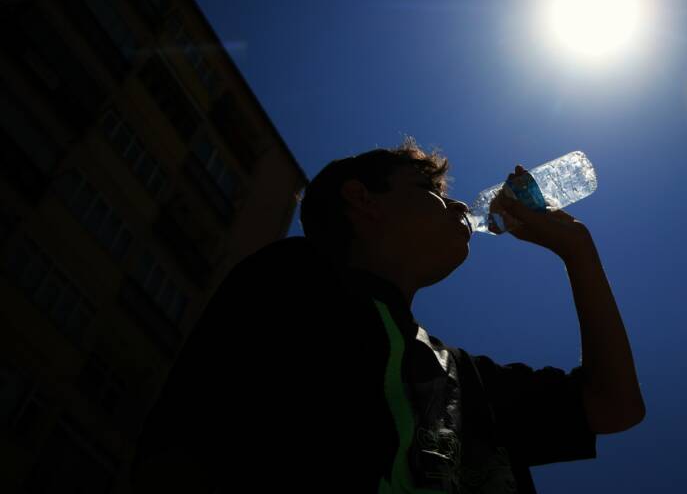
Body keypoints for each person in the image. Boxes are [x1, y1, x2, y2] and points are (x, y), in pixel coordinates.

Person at [130, 137, 644, 493]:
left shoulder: (462, 379)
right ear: (362, 200)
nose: (461, 205)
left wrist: (578, 250)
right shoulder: (296, 279)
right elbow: (186, 448)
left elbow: (614, 406)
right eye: (431, 193)